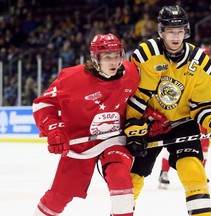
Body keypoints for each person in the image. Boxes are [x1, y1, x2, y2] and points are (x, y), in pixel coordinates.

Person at [123, 5, 211, 216]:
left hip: (183, 122)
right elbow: (136, 98)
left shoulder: (201, 62)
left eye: (179, 31)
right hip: (149, 124)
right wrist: (133, 127)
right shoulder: (145, 55)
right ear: (161, 32)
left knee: (194, 171)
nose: (175, 37)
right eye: (170, 31)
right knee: (133, 177)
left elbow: (204, 106)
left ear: (186, 31)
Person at [32, 33, 139, 216]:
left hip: (114, 140)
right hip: (80, 145)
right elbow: (43, 104)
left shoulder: (131, 73)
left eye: (116, 56)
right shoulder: (72, 78)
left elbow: (142, 100)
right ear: (95, 58)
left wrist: (149, 117)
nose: (113, 62)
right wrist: (54, 129)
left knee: (120, 177)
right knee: (59, 196)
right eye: (107, 57)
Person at [158, 47, 211, 189]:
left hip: (202, 118)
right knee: (173, 142)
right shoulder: (182, 73)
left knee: (204, 147)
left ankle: (199, 172)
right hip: (185, 118)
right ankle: (164, 171)